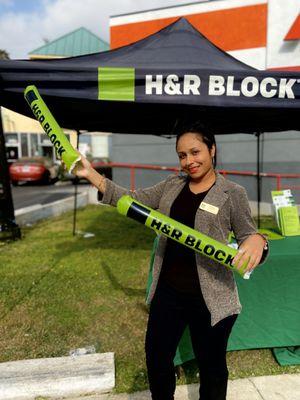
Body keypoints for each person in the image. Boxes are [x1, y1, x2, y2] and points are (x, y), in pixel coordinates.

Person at [73, 122, 268, 400]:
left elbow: (249, 233)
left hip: (211, 297)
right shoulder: (172, 185)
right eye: (182, 155)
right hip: (169, 292)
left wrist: (258, 240)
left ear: (212, 149)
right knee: (156, 358)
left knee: (212, 368)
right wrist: (91, 174)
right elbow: (132, 200)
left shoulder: (233, 192)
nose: (189, 161)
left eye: (195, 152)